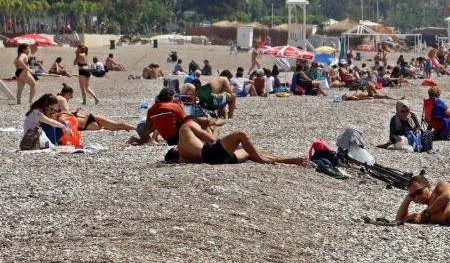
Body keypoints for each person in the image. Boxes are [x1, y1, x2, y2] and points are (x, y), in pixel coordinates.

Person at [167, 118, 306, 165]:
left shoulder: (182, 155)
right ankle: (263, 161)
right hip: (211, 154)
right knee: (241, 134)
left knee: (249, 151)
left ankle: (284, 160)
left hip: (216, 160)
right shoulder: (187, 125)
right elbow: (212, 139)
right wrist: (216, 130)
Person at [134, 87, 222, 146]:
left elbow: (148, 128)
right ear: (171, 97)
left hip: (170, 141)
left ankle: (208, 138)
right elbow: (187, 119)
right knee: (198, 120)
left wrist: (141, 141)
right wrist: (181, 107)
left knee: (196, 120)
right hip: (179, 137)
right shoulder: (173, 106)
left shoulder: (151, 110)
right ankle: (211, 138)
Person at [55, 84, 136, 132]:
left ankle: (135, 128)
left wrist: (73, 112)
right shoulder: (62, 99)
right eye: (71, 96)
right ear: (67, 94)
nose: (71, 98)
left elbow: (65, 116)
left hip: (87, 123)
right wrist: (74, 112)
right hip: (87, 120)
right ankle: (134, 128)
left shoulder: (57, 99)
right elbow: (66, 116)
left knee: (115, 126)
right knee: (115, 125)